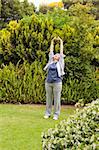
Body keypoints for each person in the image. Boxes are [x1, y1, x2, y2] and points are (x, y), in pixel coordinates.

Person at [44, 37, 65, 120]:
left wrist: (61, 42)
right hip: (48, 82)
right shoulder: (50, 62)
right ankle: (47, 113)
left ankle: (56, 114)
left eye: (57, 55)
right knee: (48, 98)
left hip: (57, 82)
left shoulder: (60, 62)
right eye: (54, 55)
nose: (55, 55)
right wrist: (52, 41)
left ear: (59, 57)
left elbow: (61, 51)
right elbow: (51, 51)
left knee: (57, 99)